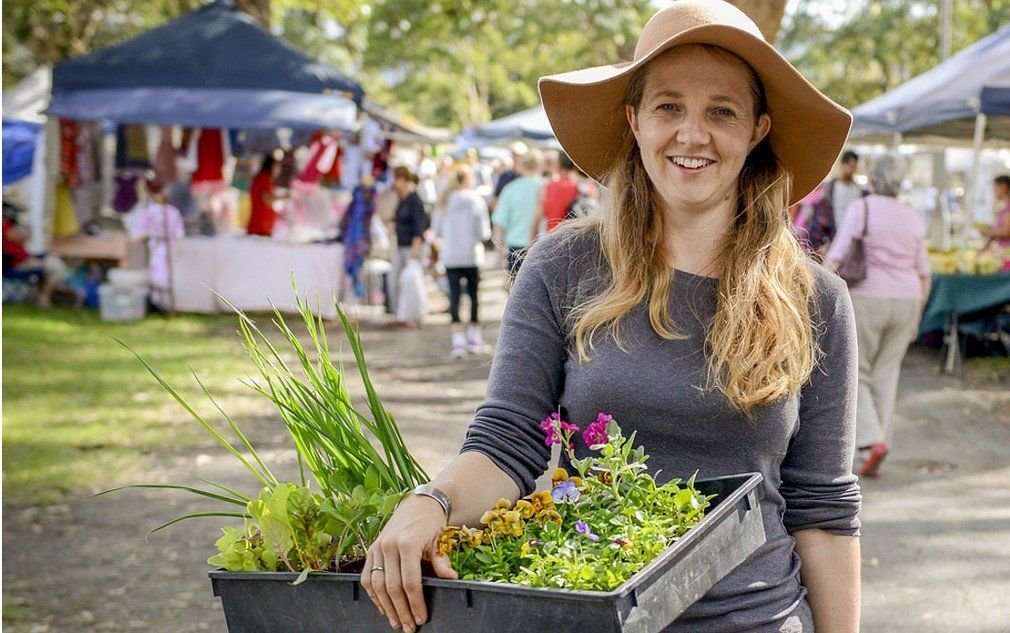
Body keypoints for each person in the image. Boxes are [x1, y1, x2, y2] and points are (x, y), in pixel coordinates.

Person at [362, 2, 861, 633]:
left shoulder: (813, 297)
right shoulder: (564, 264)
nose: (692, 134)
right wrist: (428, 503)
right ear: (634, 120)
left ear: (757, 129)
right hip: (594, 614)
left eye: (722, 111)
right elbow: (507, 444)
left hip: (757, 619)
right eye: (668, 106)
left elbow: (821, 509)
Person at [827, 154, 931, 479]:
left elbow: (837, 255)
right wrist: (916, 317)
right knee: (887, 374)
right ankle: (880, 443)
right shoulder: (913, 217)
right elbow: (925, 273)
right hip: (907, 300)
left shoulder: (864, 208)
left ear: (872, 179)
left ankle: (871, 440)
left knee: (857, 370)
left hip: (867, 298)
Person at [435, 166, 491, 357]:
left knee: (454, 296)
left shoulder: (444, 201)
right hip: (471, 254)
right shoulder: (476, 200)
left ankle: (457, 339)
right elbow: (483, 232)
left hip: (450, 255)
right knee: (474, 296)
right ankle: (474, 336)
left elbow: (437, 230)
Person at [380, 166, 430, 329]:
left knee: (411, 282)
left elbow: (419, 226)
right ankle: (400, 314)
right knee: (396, 280)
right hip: (401, 246)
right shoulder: (402, 199)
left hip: (411, 247)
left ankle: (412, 316)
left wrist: (416, 248)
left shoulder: (415, 200)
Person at [130, 180, 185, 310]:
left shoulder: (159, 212)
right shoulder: (156, 211)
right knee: (161, 273)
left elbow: (137, 234)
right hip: (162, 248)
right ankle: (161, 303)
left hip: (164, 248)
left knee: (161, 274)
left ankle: (162, 303)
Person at [490, 150, 545, 279]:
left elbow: (500, 224)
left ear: (522, 166)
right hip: (543, 245)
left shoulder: (510, 189)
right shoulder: (547, 186)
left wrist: (500, 253)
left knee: (518, 294)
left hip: (516, 250)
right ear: (541, 165)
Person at [2, 208, 68, 307]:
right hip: (16, 263)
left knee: (54, 262)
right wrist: (29, 230)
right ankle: (44, 298)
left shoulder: (7, 224)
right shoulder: (3, 225)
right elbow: (18, 237)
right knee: (55, 267)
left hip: (24, 259)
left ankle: (41, 297)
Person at [805, 150, 867, 252]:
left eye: (854, 166)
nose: (852, 169)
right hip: (832, 238)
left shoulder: (858, 190)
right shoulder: (828, 189)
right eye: (850, 166)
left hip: (852, 238)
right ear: (842, 164)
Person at [531, 151, 581, 240]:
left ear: (558, 165)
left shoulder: (546, 187)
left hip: (551, 239)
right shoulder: (581, 188)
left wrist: (532, 243)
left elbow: (537, 218)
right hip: (575, 239)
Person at [246, 152, 284, 237]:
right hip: (260, 227)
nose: (278, 170)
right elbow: (266, 199)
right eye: (277, 167)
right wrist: (285, 197)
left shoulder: (262, 178)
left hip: (262, 226)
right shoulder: (264, 178)